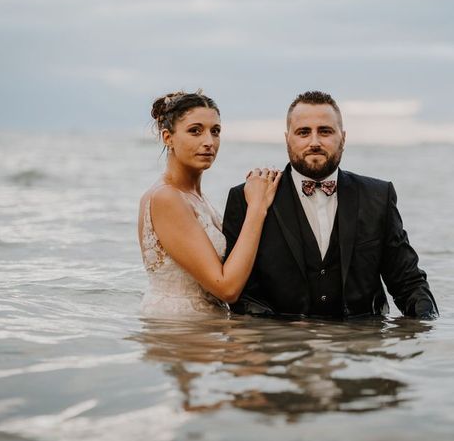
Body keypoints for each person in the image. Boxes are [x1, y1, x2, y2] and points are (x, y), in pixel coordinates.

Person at [222, 91, 438, 319]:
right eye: (303, 132)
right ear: (287, 138)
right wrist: (281, 332)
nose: (314, 142)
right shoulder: (246, 198)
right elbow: (243, 296)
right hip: (281, 347)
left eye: (325, 131)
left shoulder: (378, 197)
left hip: (363, 345)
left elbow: (408, 282)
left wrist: (426, 335)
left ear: (343, 138)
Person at [138, 90, 281, 317]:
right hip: (179, 331)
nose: (209, 142)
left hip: (204, 329)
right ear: (168, 137)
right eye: (195, 131)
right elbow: (226, 288)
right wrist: (257, 207)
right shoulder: (166, 198)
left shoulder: (196, 198)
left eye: (215, 132)